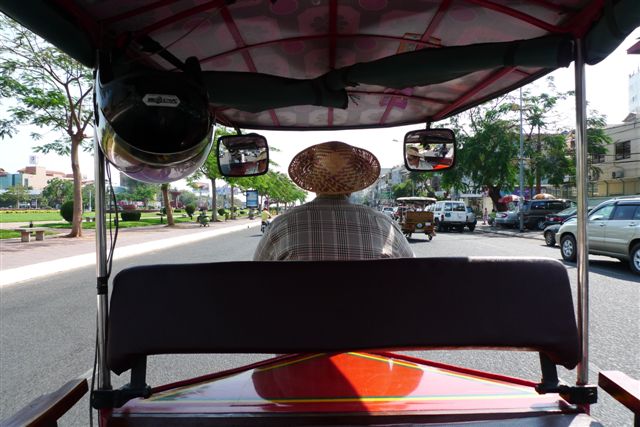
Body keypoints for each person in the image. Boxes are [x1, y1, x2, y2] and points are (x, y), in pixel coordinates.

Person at [253, 141, 414, 261]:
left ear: (313, 184)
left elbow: (256, 275)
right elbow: (413, 272)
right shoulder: (384, 225)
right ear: (354, 185)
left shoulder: (283, 224)